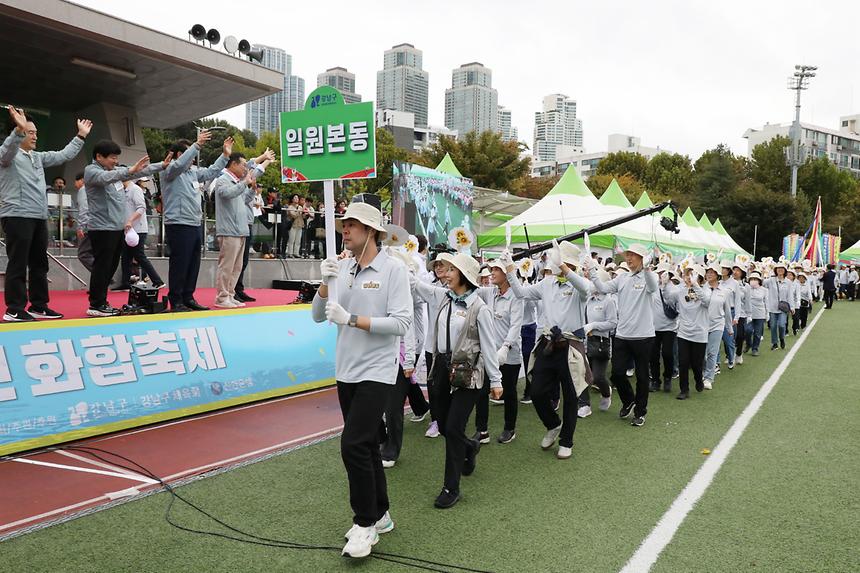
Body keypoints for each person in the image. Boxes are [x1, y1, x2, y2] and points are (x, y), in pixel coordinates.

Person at [312, 202, 411, 559]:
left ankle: (365, 522)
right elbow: (316, 317)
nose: (345, 230)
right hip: (346, 369)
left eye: (352, 225)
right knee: (367, 445)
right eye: (344, 224)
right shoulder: (344, 267)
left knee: (352, 444)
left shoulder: (393, 270)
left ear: (371, 231)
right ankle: (381, 513)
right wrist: (325, 283)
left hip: (377, 371)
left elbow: (401, 324)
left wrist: (353, 319)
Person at [412, 252, 502, 507]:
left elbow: (488, 346)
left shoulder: (479, 308)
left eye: (451, 270)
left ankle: (451, 488)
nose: (446, 273)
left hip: (468, 373)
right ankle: (470, 447)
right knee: (442, 424)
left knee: (453, 428)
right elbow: (417, 286)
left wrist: (495, 381)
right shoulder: (443, 297)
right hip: (441, 369)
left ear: (464, 275)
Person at [501, 240, 593, 456]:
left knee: (571, 396)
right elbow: (521, 293)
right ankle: (553, 425)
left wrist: (564, 268)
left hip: (570, 345)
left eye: (564, 263)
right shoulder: (546, 283)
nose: (557, 266)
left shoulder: (578, 283)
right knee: (537, 391)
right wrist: (509, 269)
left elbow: (586, 288)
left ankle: (566, 441)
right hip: (548, 343)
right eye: (558, 262)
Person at [0, 107, 91, 321]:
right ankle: (14, 308)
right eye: (30, 132)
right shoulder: (7, 156)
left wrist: (80, 136)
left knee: (40, 264)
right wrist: (19, 129)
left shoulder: (38, 157)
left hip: (38, 217)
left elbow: (63, 155)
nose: (35, 136)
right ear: (19, 132)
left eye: (35, 133)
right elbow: (7, 150)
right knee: (18, 263)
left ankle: (39, 306)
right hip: (16, 216)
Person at [83, 141, 170, 316]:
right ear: (99, 157)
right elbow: (110, 177)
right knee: (102, 266)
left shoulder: (113, 173)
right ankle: (95, 304)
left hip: (116, 228)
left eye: (117, 157)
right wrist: (129, 170)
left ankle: (101, 301)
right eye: (112, 157)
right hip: (101, 228)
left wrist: (161, 165)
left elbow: (139, 170)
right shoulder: (92, 171)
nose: (115, 161)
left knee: (110, 266)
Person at [587, 243, 657, 427]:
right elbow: (602, 287)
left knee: (642, 377)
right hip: (622, 335)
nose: (629, 258)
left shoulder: (648, 276)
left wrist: (648, 269)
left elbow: (652, 287)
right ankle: (629, 401)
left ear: (641, 258)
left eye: (633, 255)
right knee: (617, 374)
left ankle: (640, 412)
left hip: (643, 336)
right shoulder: (622, 278)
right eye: (628, 255)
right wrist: (592, 270)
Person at [161, 130, 231, 312]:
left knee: (193, 262)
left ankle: (188, 297)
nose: (193, 159)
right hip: (178, 223)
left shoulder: (193, 172)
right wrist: (197, 144)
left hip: (194, 222)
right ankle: (175, 300)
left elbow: (211, 172)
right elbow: (179, 165)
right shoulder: (169, 170)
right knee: (180, 263)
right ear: (179, 154)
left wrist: (224, 156)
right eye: (190, 154)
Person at [472, 259, 524, 445]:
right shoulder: (491, 292)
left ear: (507, 275)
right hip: (490, 353)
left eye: (496, 270)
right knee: (482, 390)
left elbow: (516, 325)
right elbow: (473, 287)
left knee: (508, 392)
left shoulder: (517, 297)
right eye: (491, 269)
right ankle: (482, 430)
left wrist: (506, 346)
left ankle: (509, 428)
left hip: (509, 354)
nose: (491, 273)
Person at [212, 152, 269, 308]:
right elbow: (227, 194)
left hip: (241, 230)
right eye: (243, 164)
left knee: (236, 267)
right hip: (229, 230)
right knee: (227, 266)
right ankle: (222, 297)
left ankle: (230, 295)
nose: (245, 167)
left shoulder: (238, 181)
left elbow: (244, 199)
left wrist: (252, 190)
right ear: (233, 164)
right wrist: (245, 183)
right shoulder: (223, 180)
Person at [416, 250, 453, 439]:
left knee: (450, 384)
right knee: (433, 385)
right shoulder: (430, 286)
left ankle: (449, 418)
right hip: (432, 346)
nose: (438, 268)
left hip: (451, 346)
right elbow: (417, 295)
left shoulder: (457, 288)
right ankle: (436, 419)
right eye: (436, 265)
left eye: (441, 265)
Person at [116, 177, 164, 290]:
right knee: (126, 256)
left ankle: (157, 281)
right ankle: (125, 282)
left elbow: (141, 208)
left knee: (139, 255)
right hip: (128, 229)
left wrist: (130, 220)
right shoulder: (124, 191)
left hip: (138, 229)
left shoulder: (135, 189)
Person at [581, 267, 616, 414]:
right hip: (586, 341)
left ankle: (606, 392)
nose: (591, 283)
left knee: (598, 377)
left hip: (601, 342)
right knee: (582, 375)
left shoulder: (608, 301)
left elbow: (613, 323)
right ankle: (584, 405)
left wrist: (594, 326)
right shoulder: (588, 299)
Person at [674, 266, 711, 399]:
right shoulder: (680, 290)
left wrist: (695, 285)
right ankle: (684, 389)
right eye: (686, 275)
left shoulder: (705, 290)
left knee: (696, 363)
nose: (688, 278)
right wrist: (664, 284)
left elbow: (707, 302)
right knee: (683, 362)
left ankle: (698, 379)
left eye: (692, 275)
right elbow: (669, 297)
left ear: (699, 278)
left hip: (699, 333)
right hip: (683, 332)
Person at [702, 264, 733, 390]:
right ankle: (703, 374)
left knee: (712, 352)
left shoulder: (724, 291)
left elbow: (727, 311)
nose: (709, 275)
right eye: (708, 272)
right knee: (702, 353)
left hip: (718, 325)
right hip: (702, 324)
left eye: (712, 272)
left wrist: (729, 328)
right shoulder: (702, 288)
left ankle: (709, 378)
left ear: (717, 275)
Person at [650, 263, 679, 393]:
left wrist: (666, 286)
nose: (661, 275)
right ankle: (655, 380)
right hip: (653, 326)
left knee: (667, 353)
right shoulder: (653, 287)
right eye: (659, 273)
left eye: (664, 273)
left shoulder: (674, 289)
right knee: (653, 355)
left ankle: (667, 377)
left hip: (669, 327)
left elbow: (673, 304)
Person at [764, 262, 792, 350]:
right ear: (775, 270)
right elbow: (762, 282)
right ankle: (774, 343)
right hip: (772, 307)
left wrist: (792, 307)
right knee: (772, 326)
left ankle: (782, 338)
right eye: (778, 268)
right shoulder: (771, 280)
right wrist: (763, 271)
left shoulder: (788, 282)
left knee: (782, 325)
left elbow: (790, 295)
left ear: (785, 271)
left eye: (782, 269)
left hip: (783, 308)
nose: (780, 270)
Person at [73, 172, 95, 273]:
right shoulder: (94, 190)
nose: (75, 184)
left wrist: (80, 226)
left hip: (88, 226)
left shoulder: (83, 190)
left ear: (82, 180)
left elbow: (84, 209)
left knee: (83, 254)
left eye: (76, 181)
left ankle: (102, 275)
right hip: (98, 225)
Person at [731, 263, 750, 364]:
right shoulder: (727, 283)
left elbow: (748, 301)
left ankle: (738, 354)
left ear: (742, 273)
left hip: (741, 313)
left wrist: (749, 314)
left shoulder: (745, 286)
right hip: (729, 312)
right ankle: (729, 354)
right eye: (734, 270)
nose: (735, 272)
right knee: (729, 335)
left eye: (738, 270)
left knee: (740, 335)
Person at [746, 272, 768, 356]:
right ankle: (748, 344)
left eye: (755, 279)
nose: (753, 281)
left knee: (758, 333)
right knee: (748, 330)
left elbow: (766, 302)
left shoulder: (764, 290)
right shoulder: (747, 289)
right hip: (749, 313)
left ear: (759, 281)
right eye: (751, 279)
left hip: (760, 314)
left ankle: (755, 348)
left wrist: (767, 313)